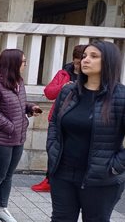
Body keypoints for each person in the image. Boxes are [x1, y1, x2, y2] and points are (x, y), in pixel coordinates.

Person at [25, 41, 125, 222]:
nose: (85, 60)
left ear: (109, 62)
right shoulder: (69, 91)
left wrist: (114, 167)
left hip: (101, 178)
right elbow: (55, 126)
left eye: (94, 56)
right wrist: (53, 151)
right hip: (64, 173)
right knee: (60, 221)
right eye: (84, 56)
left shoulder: (121, 97)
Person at [0, 49, 41, 222]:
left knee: (8, 175)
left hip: (17, 137)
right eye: (23, 62)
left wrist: (30, 108)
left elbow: (17, 106)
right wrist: (10, 126)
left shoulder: (18, 82)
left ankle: (2, 208)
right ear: (13, 63)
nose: (25, 65)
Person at [31, 44, 85, 193]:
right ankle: (49, 180)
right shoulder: (63, 73)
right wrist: (63, 86)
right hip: (59, 118)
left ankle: (68, 182)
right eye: (76, 62)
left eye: (81, 63)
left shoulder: (90, 77)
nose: (79, 66)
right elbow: (49, 92)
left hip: (79, 120)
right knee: (53, 149)